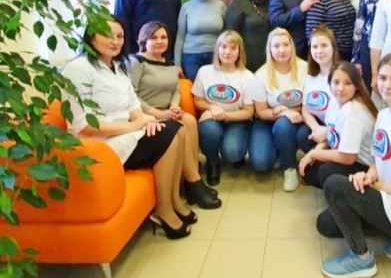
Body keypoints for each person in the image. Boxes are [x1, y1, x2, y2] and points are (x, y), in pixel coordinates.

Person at [62, 17, 194, 240]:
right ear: (91, 37)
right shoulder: (78, 68)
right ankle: (163, 210)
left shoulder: (118, 67)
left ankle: (173, 200)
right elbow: (81, 125)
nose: (115, 41)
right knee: (168, 134)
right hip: (100, 143)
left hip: (128, 132)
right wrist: (133, 126)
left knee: (177, 128)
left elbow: (134, 106)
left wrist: (146, 121)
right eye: (108, 35)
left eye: (120, 36)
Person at [318, 53, 391, 278]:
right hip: (388, 198)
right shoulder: (384, 115)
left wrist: (372, 185)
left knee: (334, 185)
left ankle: (362, 259)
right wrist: (367, 176)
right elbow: (377, 161)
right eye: (382, 78)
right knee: (326, 224)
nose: (387, 85)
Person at [129, 21, 222, 209]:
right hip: (146, 115)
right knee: (182, 125)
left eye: (163, 37)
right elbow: (131, 95)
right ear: (144, 40)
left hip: (167, 111)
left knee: (189, 120)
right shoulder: (136, 62)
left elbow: (176, 90)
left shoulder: (170, 62)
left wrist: (173, 107)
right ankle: (194, 184)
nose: (160, 41)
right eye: (154, 37)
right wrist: (158, 113)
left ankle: (192, 180)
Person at [298, 61, 377, 189]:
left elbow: (348, 158)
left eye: (348, 83)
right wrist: (316, 152)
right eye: (336, 82)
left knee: (325, 172)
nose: (341, 88)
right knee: (308, 164)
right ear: (329, 83)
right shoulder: (335, 100)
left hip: (363, 165)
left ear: (356, 86)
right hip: (341, 150)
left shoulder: (352, 112)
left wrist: (313, 154)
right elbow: (331, 134)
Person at [249, 28, 308, 192]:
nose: (282, 50)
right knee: (261, 163)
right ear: (269, 49)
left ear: (292, 46)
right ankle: (279, 146)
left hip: (299, 119)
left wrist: (289, 111)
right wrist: (284, 112)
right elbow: (261, 112)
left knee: (285, 126)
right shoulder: (261, 74)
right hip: (267, 121)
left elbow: (310, 104)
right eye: (276, 46)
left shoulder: (305, 68)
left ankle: (289, 168)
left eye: (285, 45)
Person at [192, 30, 255, 186]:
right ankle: (213, 162)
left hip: (238, 120)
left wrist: (222, 114)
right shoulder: (204, 71)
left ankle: (236, 154)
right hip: (212, 120)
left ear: (240, 52)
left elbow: (249, 112)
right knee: (209, 130)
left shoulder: (248, 77)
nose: (228, 52)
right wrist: (211, 107)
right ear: (217, 49)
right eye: (224, 47)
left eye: (233, 48)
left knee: (232, 152)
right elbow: (197, 100)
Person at [174, 0, 226, 81]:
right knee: (195, 90)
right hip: (191, 57)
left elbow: (226, 34)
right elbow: (180, 37)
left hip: (216, 55)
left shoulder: (220, 5)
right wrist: (177, 64)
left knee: (215, 89)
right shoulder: (186, 7)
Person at [298, 25, 339, 153]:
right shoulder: (309, 77)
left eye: (324, 45)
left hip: (340, 130)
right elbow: (305, 110)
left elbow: (347, 117)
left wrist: (327, 132)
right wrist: (316, 128)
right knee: (302, 135)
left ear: (333, 47)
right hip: (320, 127)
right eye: (315, 47)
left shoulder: (342, 75)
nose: (319, 51)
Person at [225, 0, 271, 72]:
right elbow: (230, 34)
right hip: (246, 60)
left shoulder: (272, 2)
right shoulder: (238, 3)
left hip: (269, 59)